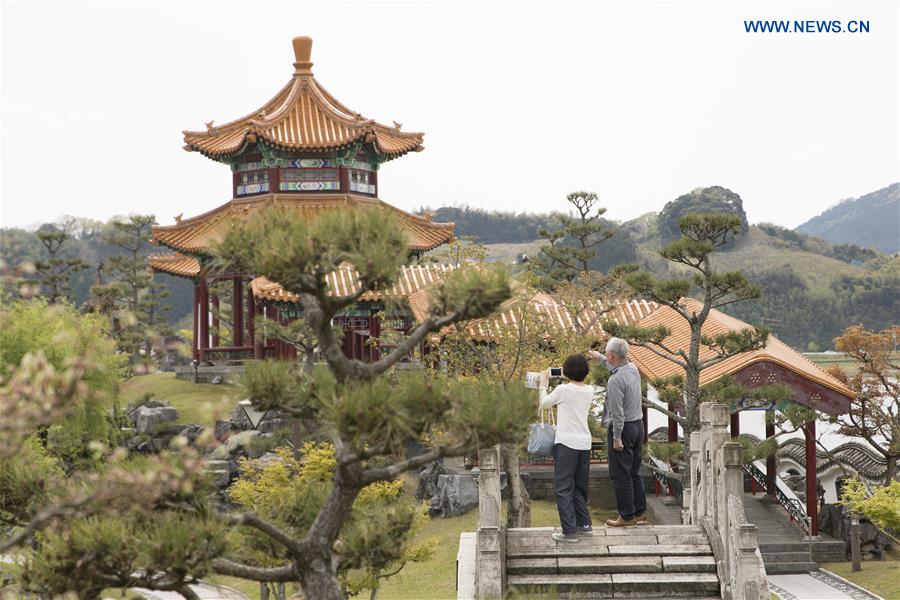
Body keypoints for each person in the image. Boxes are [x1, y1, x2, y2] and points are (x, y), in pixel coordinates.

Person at [590, 338, 648, 527]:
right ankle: (640, 513)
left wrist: (616, 438)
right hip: (638, 426)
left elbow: (617, 413)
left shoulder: (614, 381)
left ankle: (626, 516)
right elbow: (615, 366)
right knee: (634, 472)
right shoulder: (632, 368)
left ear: (612, 355)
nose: (606, 356)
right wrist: (599, 358)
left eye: (607, 353)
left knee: (620, 474)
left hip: (622, 429)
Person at [539, 354, 595, 543]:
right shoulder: (590, 390)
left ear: (567, 371)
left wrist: (543, 384)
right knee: (579, 487)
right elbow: (575, 385)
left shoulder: (563, 390)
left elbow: (544, 403)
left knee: (563, 488)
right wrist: (569, 374)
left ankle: (569, 531)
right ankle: (584, 524)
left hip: (566, 444)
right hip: (584, 444)